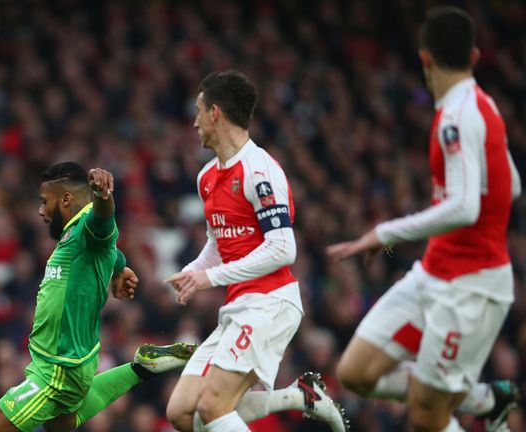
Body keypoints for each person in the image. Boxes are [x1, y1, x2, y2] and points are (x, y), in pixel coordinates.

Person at [327, 7, 522, 432]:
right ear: (473, 56)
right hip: (434, 273)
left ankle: (460, 402)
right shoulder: (483, 107)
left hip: (470, 289)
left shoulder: (456, 117)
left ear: (425, 58)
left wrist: (385, 234)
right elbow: (514, 185)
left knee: (424, 418)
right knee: (355, 373)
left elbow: (465, 207)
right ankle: (488, 400)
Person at [164, 70, 348, 432]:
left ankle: (300, 396)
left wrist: (209, 278)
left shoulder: (260, 171)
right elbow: (218, 245)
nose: (195, 121)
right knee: (183, 412)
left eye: (198, 111)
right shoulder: (206, 177)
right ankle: (299, 397)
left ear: (215, 113)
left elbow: (283, 249)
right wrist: (192, 271)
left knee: (213, 407)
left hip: (272, 302)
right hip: (238, 305)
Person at [0, 162, 196, 432]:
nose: (40, 211)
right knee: (61, 426)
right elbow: (108, 247)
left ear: (66, 199)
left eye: (44, 202)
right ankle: (141, 368)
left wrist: (103, 195)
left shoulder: (89, 225)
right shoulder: (77, 233)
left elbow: (104, 221)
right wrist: (118, 267)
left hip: (57, 370)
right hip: (71, 361)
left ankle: (140, 370)